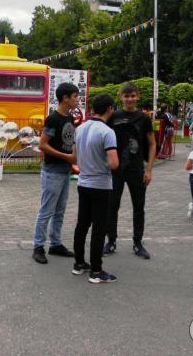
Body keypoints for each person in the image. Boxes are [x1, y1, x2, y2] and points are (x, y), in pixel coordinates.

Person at [103, 83, 156, 258]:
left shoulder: (144, 118)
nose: (130, 99)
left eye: (133, 96)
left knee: (139, 207)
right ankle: (111, 241)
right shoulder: (113, 116)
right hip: (116, 169)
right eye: (127, 96)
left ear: (138, 96)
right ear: (121, 97)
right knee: (112, 206)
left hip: (136, 169)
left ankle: (137, 242)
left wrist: (148, 169)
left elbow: (152, 143)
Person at [72, 94, 119, 283]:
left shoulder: (80, 128)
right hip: (101, 185)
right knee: (99, 228)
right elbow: (114, 163)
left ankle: (79, 263)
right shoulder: (107, 132)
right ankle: (96, 270)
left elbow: (74, 157)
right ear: (109, 109)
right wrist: (103, 164)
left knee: (82, 224)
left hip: (83, 183)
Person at [32, 82, 79, 264]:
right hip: (52, 170)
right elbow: (42, 144)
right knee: (47, 210)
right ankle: (38, 246)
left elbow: (68, 141)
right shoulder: (53, 119)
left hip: (64, 170)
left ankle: (56, 243)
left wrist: (73, 156)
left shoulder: (68, 118)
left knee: (60, 210)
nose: (77, 100)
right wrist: (66, 157)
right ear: (65, 98)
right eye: (75, 96)